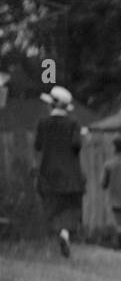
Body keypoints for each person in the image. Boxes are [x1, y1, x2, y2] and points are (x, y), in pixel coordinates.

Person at [33, 85, 86, 258]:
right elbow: (77, 146)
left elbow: (38, 146)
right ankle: (64, 233)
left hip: (48, 174)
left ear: (52, 105)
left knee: (52, 207)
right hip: (71, 175)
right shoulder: (73, 124)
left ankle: (57, 234)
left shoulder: (43, 123)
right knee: (70, 208)